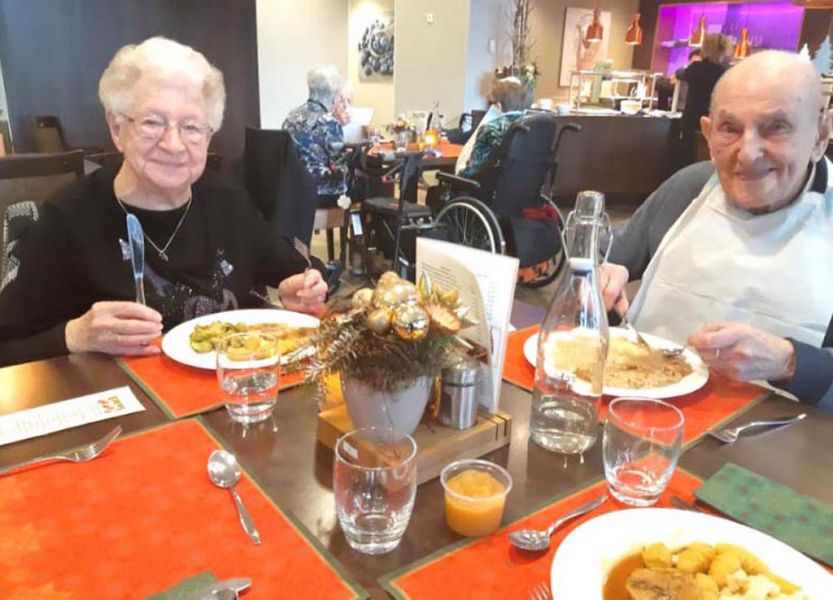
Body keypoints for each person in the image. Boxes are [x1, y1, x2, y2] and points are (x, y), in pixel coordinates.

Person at [0, 37, 327, 367]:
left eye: (191, 127)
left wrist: (303, 286)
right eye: (152, 122)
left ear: (209, 135)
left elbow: (295, 269)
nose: (174, 144)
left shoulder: (228, 202)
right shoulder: (68, 219)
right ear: (117, 128)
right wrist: (76, 335)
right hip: (131, 411)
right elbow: (7, 345)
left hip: (230, 396)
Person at [601, 50, 833, 412]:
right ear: (708, 135)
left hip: (779, 452)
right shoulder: (686, 188)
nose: (747, 153)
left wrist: (790, 362)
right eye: (730, 129)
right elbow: (602, 276)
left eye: (776, 127)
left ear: (820, 137)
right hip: (638, 417)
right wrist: (598, 286)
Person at [282, 65, 348, 205]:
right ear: (333, 95)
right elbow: (339, 167)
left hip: (293, 189)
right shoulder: (329, 122)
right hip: (318, 193)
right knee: (363, 186)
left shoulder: (292, 116)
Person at [676, 33, 733, 165]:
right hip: (715, 122)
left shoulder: (695, 68)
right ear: (725, 49)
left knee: (688, 160)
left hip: (691, 121)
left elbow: (679, 73)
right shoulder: (727, 72)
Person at [459, 78, 530, 178]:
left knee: (437, 189)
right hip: (522, 189)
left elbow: (471, 172)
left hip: (485, 190)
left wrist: (456, 175)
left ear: (498, 106)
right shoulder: (531, 127)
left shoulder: (491, 128)